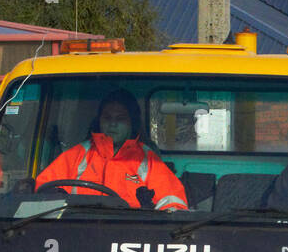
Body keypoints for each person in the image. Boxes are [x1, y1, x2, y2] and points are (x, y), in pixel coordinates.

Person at [35, 89, 187, 210]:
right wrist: (56, 197)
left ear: (132, 122)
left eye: (120, 118)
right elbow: (44, 190)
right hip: (76, 235)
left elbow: (173, 203)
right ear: (99, 120)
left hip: (131, 239)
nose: (112, 124)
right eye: (107, 117)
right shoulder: (77, 155)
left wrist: (152, 216)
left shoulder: (148, 160)